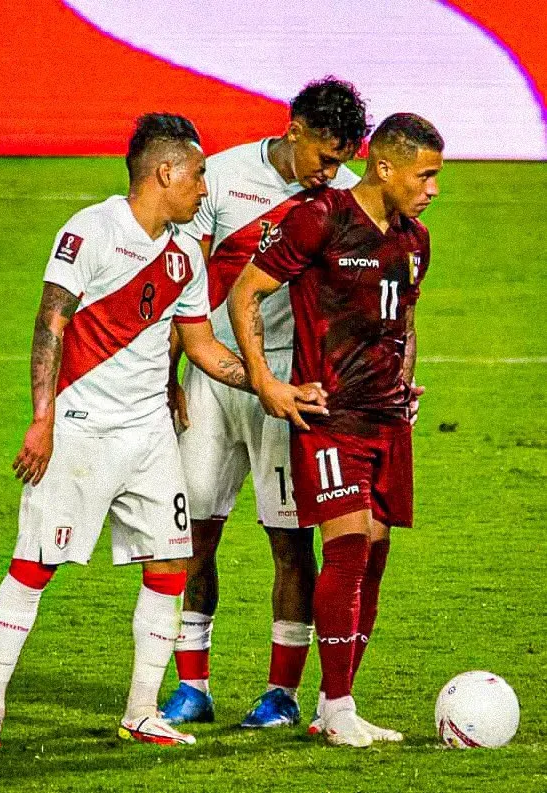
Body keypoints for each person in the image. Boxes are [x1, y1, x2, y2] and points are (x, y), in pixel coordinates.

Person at [0, 112, 329, 750]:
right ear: (166, 172)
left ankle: (141, 712)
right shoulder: (92, 231)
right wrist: (43, 421)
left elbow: (204, 347)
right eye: (199, 175)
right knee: (34, 566)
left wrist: (266, 384)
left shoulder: (186, 252)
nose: (204, 188)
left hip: (150, 436)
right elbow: (51, 324)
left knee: (169, 564)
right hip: (82, 431)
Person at [228, 113, 444, 746]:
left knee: (374, 555)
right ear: (385, 167)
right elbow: (247, 292)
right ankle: (339, 704)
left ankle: (333, 704)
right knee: (347, 545)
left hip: (387, 419)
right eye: (425, 175)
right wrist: (267, 382)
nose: (432, 188)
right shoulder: (320, 217)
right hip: (330, 417)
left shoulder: (416, 240)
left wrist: (407, 378)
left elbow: (403, 321)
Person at [162, 78, 370, 729]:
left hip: (290, 386)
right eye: (324, 156)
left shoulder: (344, 198)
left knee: (290, 539)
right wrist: (167, 372)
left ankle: (280, 693)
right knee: (195, 531)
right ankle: (192, 683)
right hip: (215, 377)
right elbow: (186, 279)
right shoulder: (220, 179)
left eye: (341, 160)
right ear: (293, 129)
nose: (331, 172)